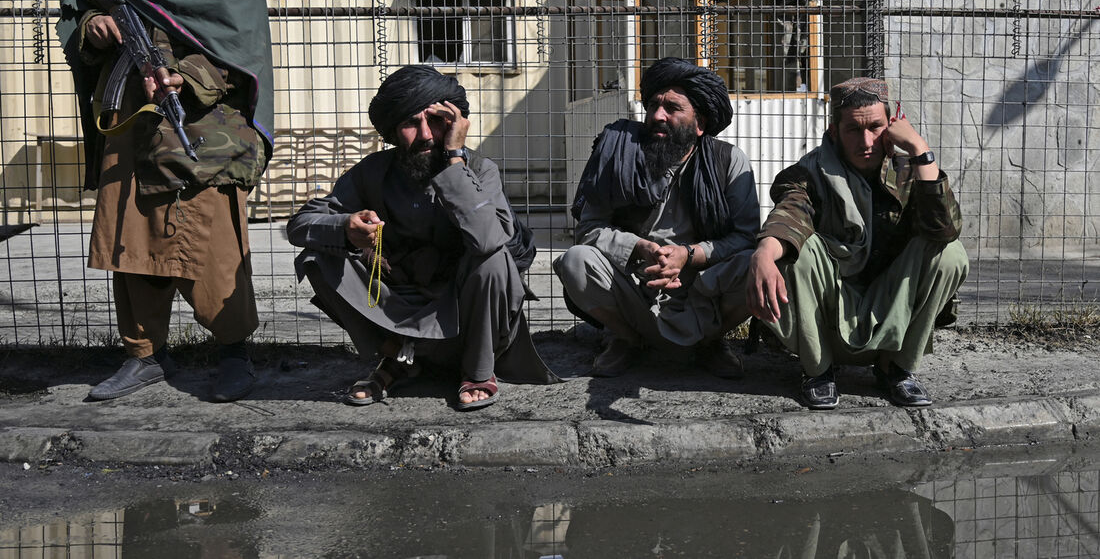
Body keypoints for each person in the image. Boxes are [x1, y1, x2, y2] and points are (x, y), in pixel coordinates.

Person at [56, 0, 274, 402]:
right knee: (132, 242)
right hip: (130, 124)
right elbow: (81, 11)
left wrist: (185, 76)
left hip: (204, 130)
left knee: (213, 249)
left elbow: (240, 56)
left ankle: (233, 353)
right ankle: (143, 355)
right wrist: (97, 25)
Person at [286, 64, 557, 410]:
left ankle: (477, 370)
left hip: (468, 315)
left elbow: (489, 239)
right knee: (318, 255)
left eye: (438, 121)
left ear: (455, 124)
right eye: (411, 123)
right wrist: (346, 228)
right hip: (400, 308)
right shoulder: (373, 172)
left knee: (492, 258)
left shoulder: (478, 169)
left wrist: (455, 162)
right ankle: (397, 356)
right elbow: (301, 224)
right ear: (393, 131)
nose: (427, 135)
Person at [747, 77, 969, 409]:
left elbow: (945, 231)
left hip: (894, 306)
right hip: (831, 312)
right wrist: (764, 252)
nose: (866, 141)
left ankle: (897, 368)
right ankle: (818, 371)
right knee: (796, 251)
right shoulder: (809, 173)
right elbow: (791, 213)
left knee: (949, 254)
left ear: (893, 127)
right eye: (853, 129)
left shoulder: (910, 173)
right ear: (834, 132)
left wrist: (921, 152)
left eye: (876, 127)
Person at [554, 57, 760, 377]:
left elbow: (746, 236)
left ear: (700, 122)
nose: (657, 115)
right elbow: (590, 228)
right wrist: (639, 247)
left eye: (672, 108)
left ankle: (711, 341)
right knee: (575, 260)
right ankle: (625, 338)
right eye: (653, 105)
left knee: (756, 265)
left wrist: (688, 256)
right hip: (637, 282)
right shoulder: (621, 152)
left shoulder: (729, 161)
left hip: (702, 285)